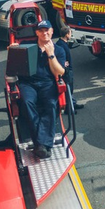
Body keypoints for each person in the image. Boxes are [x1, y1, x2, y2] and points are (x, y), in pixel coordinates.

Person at [19, 20, 65, 159]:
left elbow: (59, 72)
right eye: (41, 30)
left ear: (52, 31)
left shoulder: (59, 50)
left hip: (47, 82)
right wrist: (12, 49)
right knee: (27, 103)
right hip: (28, 82)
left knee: (51, 104)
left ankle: (41, 145)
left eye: (47, 30)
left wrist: (51, 54)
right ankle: (43, 144)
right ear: (37, 33)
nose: (44, 33)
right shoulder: (26, 46)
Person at [54, 25, 83, 111]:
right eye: (70, 33)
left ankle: (72, 103)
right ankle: (69, 108)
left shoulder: (62, 43)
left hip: (68, 69)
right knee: (68, 88)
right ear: (67, 34)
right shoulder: (61, 45)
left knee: (70, 88)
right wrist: (62, 63)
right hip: (66, 71)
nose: (71, 35)